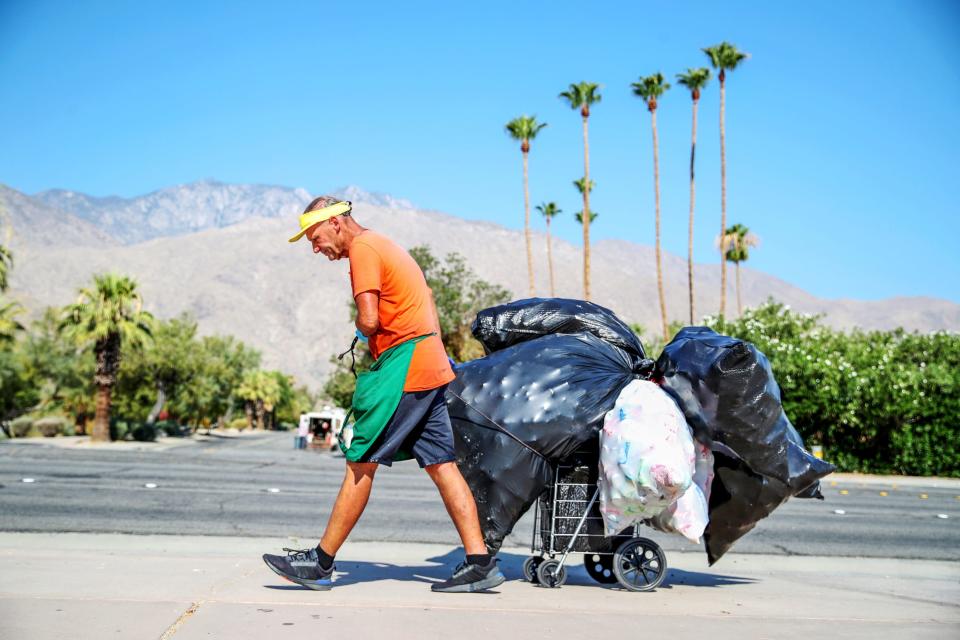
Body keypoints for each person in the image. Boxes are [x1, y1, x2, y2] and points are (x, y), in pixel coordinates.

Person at [262, 196, 503, 593]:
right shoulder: (384, 244)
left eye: (315, 236)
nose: (315, 246)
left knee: (361, 460)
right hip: (428, 363)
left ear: (336, 223)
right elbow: (427, 302)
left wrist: (362, 330)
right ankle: (479, 562)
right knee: (442, 464)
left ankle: (320, 563)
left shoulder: (363, 250)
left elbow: (371, 319)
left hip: (406, 369)